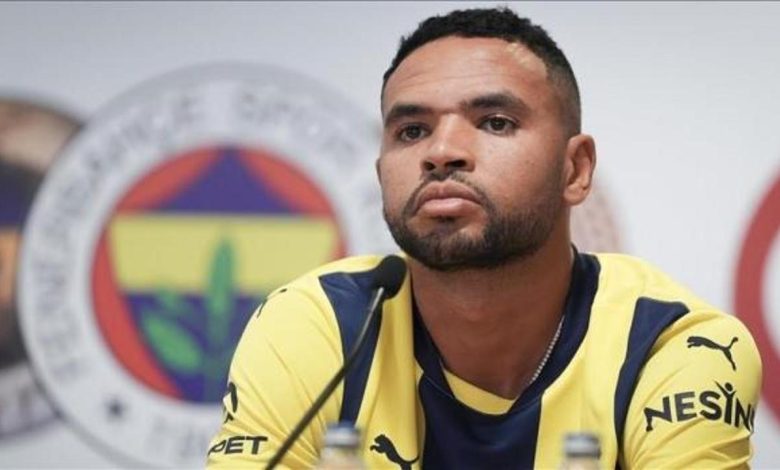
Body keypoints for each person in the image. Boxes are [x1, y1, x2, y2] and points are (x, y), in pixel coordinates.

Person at [207, 7, 761, 469]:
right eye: (411, 131)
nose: (441, 152)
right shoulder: (319, 324)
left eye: (495, 122)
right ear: (381, 175)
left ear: (575, 169)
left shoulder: (672, 345)